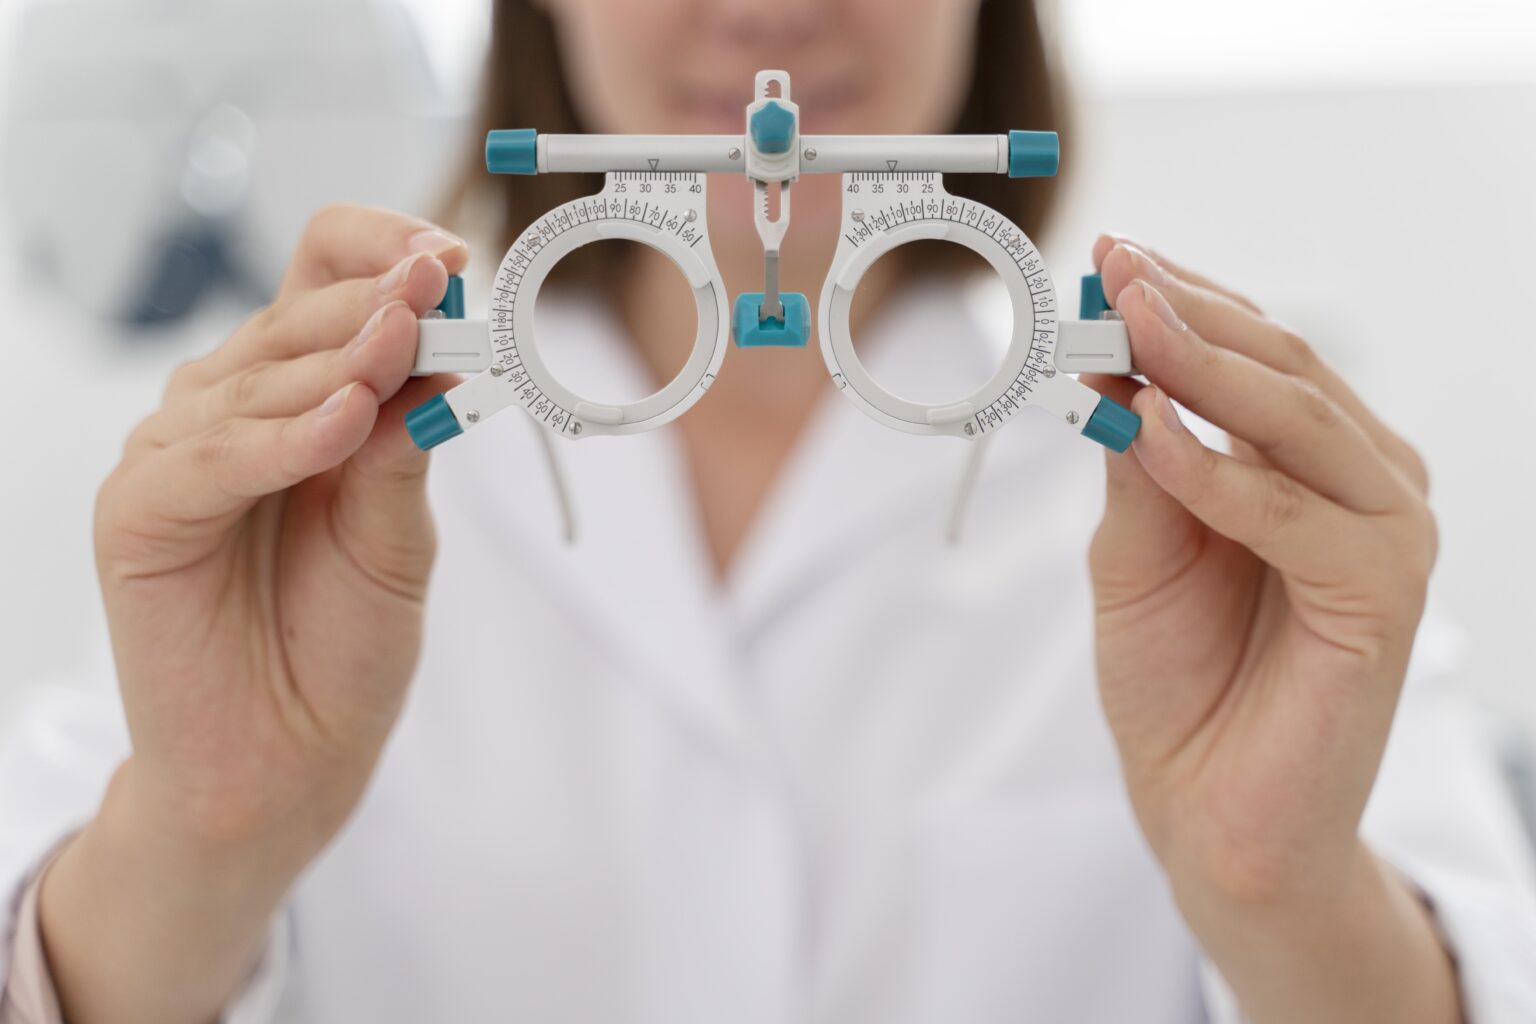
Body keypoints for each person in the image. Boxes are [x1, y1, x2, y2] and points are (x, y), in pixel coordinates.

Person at [3, 0, 1535, 1021]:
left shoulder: (1205, 490)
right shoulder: (315, 486)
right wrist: (198, 836)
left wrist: (1289, 898)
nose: (769, 13)